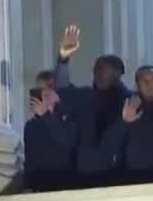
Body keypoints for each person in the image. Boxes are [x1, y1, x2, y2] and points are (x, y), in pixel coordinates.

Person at [53, 25, 132, 189]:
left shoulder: (130, 100)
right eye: (97, 70)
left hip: (120, 176)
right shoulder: (85, 97)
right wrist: (63, 59)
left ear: (118, 74)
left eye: (104, 70)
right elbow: (62, 89)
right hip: (83, 175)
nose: (98, 74)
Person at [101, 66, 153, 185]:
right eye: (145, 80)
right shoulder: (126, 105)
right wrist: (125, 121)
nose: (150, 84)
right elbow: (109, 142)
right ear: (137, 85)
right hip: (130, 177)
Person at [22, 70, 77, 192]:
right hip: (39, 188)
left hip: (65, 186)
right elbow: (30, 160)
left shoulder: (70, 118)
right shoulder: (31, 126)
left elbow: (67, 142)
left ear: (56, 94)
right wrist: (27, 185)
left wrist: (46, 115)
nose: (40, 96)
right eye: (37, 92)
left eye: (45, 92)